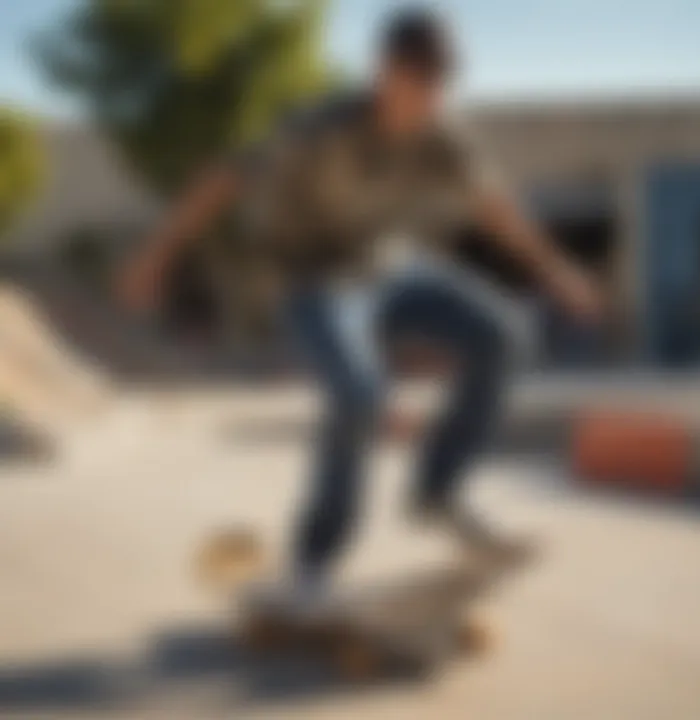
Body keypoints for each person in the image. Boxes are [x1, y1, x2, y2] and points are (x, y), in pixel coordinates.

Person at [119, 7, 603, 614]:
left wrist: (557, 271)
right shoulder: (319, 127)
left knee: (504, 332)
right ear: (384, 72)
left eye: (440, 82)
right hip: (313, 281)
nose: (428, 95)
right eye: (417, 78)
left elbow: (494, 206)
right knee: (360, 395)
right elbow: (222, 178)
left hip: (387, 271)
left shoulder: (441, 136)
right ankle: (312, 565)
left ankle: (437, 493)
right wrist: (154, 256)